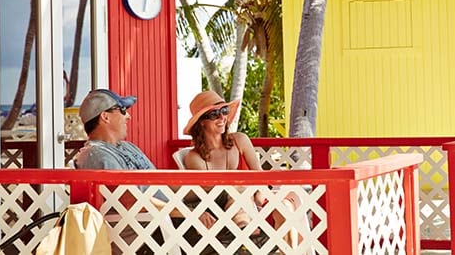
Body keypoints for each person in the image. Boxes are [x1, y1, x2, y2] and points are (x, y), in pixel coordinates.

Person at [182, 90, 309, 252]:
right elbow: (211, 193)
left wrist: (258, 195)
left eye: (224, 111)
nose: (222, 118)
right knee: (238, 191)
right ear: (201, 122)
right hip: (220, 213)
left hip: (251, 202)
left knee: (286, 207)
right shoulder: (194, 158)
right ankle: (247, 236)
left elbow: (259, 174)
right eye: (214, 114)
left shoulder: (239, 140)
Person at [75, 89, 180, 255]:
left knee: (223, 212)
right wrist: (185, 211)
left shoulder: (128, 147)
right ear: (105, 116)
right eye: (123, 110)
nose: (128, 116)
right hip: (146, 229)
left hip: (164, 219)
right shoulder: (95, 154)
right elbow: (130, 200)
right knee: (221, 231)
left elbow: (161, 183)